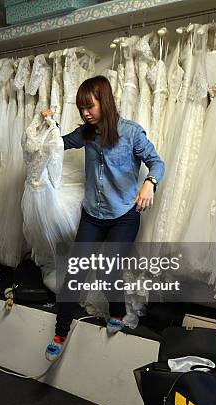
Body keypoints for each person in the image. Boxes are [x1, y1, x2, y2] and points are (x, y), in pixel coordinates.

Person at [43, 76, 164, 361]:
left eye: (90, 106)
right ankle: (60, 333)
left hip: (123, 216)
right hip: (92, 215)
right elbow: (57, 144)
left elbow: (157, 162)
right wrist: (49, 125)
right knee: (75, 274)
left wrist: (150, 182)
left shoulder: (132, 133)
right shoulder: (85, 134)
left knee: (109, 270)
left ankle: (119, 312)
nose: (85, 112)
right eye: (81, 107)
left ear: (104, 101)